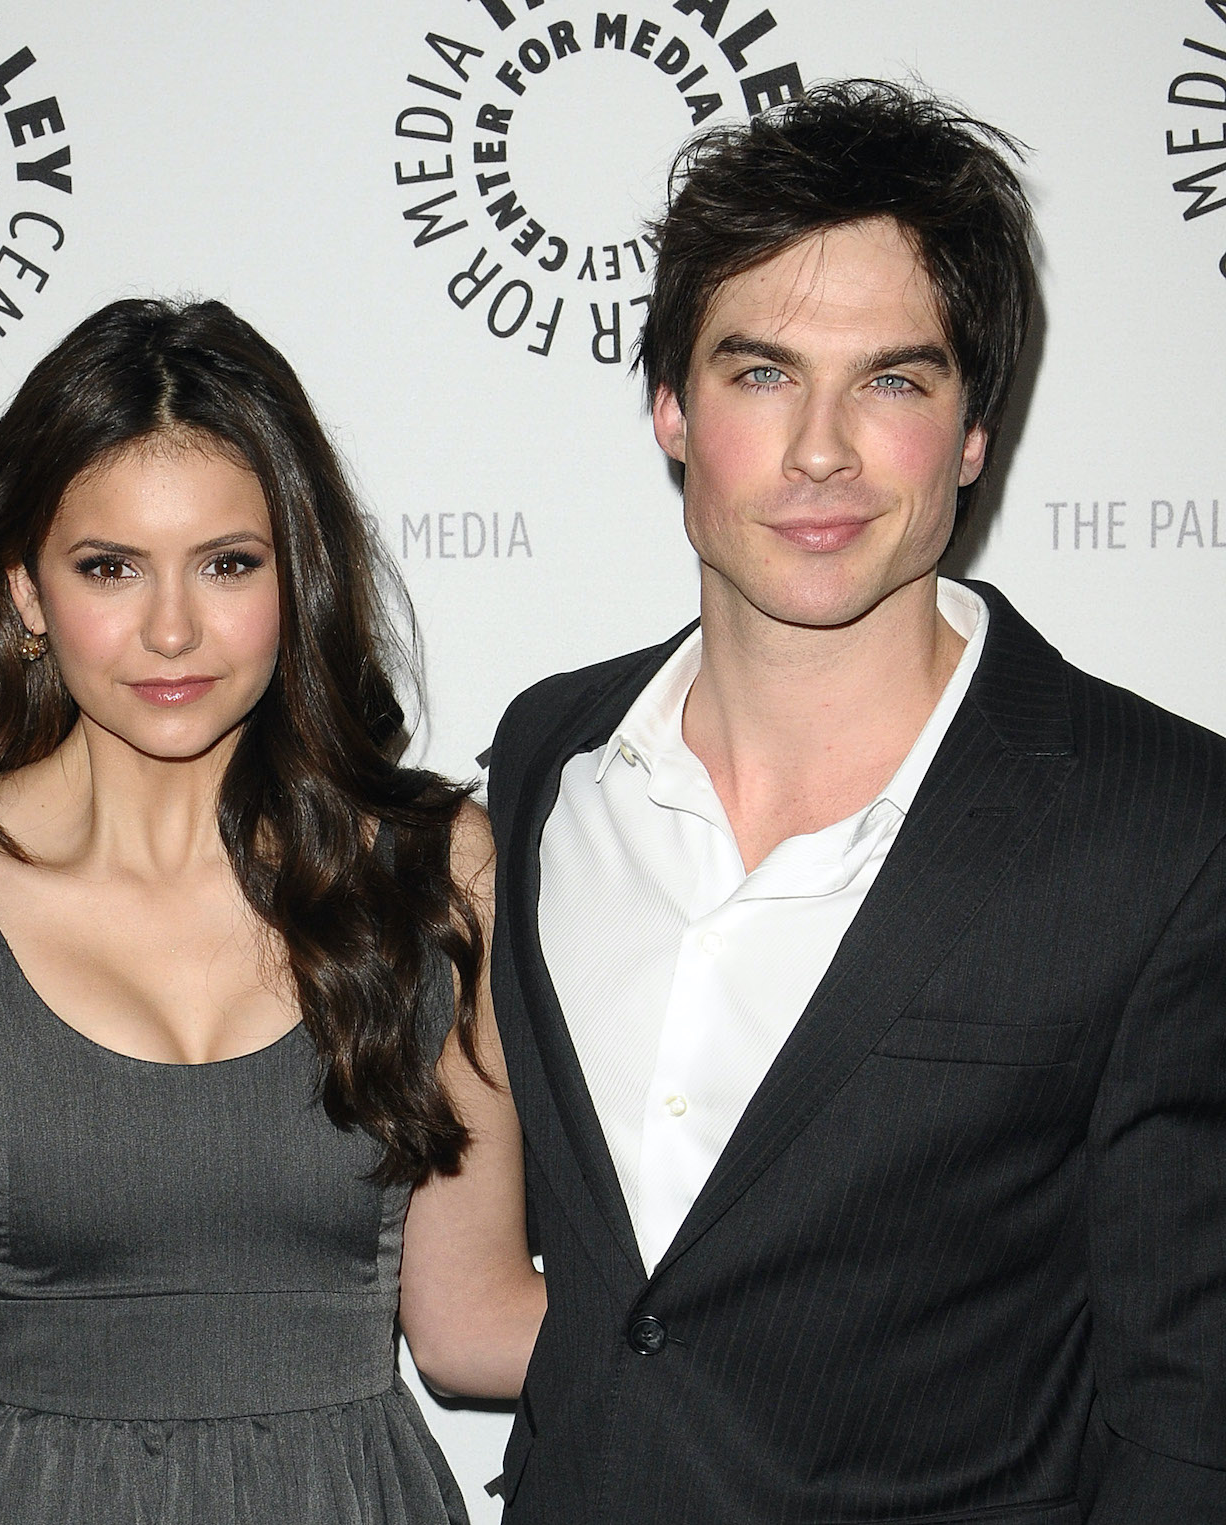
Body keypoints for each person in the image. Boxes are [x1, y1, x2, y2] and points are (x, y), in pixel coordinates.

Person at [484, 79, 1226, 1522]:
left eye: (892, 379)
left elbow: (1190, 1413)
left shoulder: (1169, 832)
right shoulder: (544, 761)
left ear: (971, 434)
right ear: (670, 411)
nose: (821, 449)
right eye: (761, 373)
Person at [0, 296, 546, 1523]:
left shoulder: (429, 872)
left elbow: (468, 1323)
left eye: (226, 563)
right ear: (24, 591)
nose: (170, 629)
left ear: (294, 574)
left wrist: (791, 1338)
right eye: (107, 567)